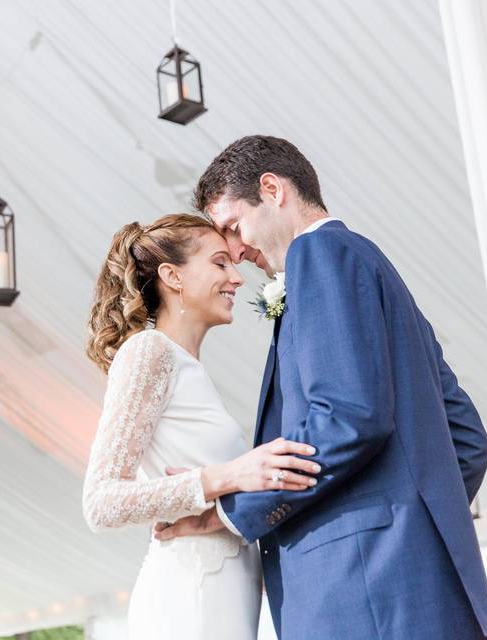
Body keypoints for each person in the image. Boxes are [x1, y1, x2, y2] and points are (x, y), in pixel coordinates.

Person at [155, 135, 487, 639]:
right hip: (417, 595)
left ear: (272, 190)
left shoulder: (320, 254)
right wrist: (410, 533)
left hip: (362, 596)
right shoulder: (371, 266)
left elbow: (349, 416)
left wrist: (232, 512)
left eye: (232, 226)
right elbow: (467, 439)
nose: (235, 250)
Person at [83, 213, 321, 639]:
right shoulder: (148, 353)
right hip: (189, 597)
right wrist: (227, 475)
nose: (238, 278)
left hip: (225, 593)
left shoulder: (189, 369)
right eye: (220, 264)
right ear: (172, 276)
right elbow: (101, 502)